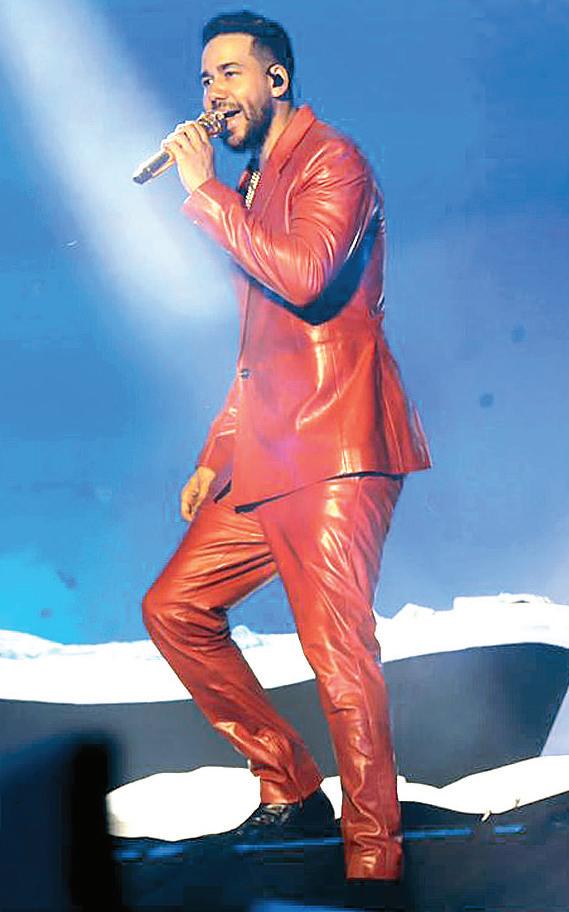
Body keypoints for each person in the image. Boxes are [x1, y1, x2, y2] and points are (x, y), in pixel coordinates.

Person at [142, 8, 431, 895]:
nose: (212, 93)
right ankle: (291, 785)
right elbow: (260, 346)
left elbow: (305, 280)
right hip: (266, 450)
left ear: (276, 79)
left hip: (336, 442)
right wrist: (215, 451)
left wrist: (204, 193)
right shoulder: (256, 181)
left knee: (336, 650)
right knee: (175, 609)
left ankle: (373, 858)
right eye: (204, 79)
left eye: (229, 73)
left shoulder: (332, 160)